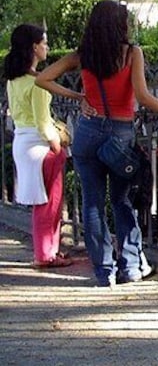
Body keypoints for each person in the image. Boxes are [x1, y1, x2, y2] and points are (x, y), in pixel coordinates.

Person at [37, 0, 158, 287]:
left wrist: (79, 97)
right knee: (122, 201)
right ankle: (131, 267)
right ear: (118, 25)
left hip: (87, 133)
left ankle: (103, 273)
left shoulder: (83, 55)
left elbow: (43, 79)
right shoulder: (132, 53)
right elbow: (143, 97)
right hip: (119, 135)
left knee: (92, 204)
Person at [3, 24, 75, 268]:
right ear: (34, 47)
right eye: (44, 43)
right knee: (50, 203)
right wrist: (58, 147)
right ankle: (46, 254)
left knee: (41, 201)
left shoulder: (14, 79)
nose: (47, 47)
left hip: (23, 143)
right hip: (41, 146)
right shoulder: (39, 82)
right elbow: (44, 123)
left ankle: (48, 250)